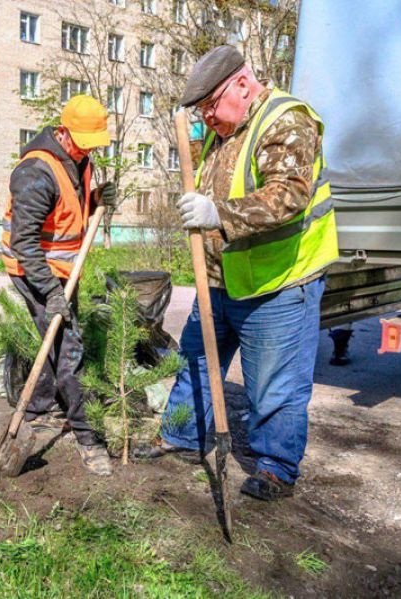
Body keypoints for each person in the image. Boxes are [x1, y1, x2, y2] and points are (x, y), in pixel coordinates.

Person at [134, 45, 339, 501]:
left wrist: (217, 213)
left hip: (279, 282)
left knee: (273, 384)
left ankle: (275, 466)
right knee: (196, 362)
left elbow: (288, 195)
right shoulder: (225, 128)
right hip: (221, 279)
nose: (206, 117)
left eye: (210, 105)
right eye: (201, 109)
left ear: (243, 85)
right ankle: (185, 435)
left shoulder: (286, 120)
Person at [0, 94, 118, 477]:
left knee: (60, 344)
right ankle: (88, 437)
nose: (91, 149)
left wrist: (96, 198)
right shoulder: (36, 172)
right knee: (69, 349)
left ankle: (41, 406)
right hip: (34, 271)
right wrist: (50, 292)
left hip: (64, 271)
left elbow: (68, 211)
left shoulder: (77, 159)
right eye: (85, 141)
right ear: (64, 133)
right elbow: (25, 241)